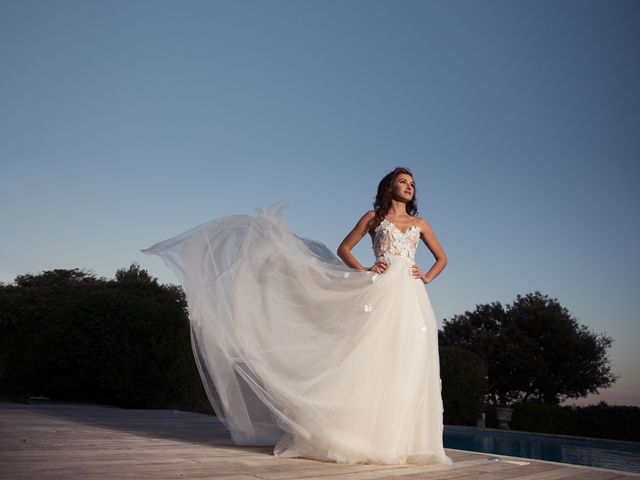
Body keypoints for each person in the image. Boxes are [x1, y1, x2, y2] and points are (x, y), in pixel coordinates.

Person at [140, 167, 452, 466]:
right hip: (380, 290)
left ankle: (405, 442)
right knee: (370, 357)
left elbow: (442, 258)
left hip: (411, 297)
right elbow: (345, 248)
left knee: (408, 360)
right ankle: (364, 437)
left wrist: (424, 276)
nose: (409, 186)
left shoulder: (420, 223)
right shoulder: (374, 218)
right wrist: (366, 270)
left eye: (412, 183)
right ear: (389, 187)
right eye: (403, 181)